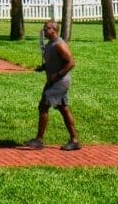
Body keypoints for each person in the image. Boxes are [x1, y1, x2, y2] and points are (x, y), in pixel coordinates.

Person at [24, 20, 81, 151]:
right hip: (54, 81)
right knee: (63, 109)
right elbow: (53, 61)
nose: (44, 30)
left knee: (43, 106)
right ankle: (75, 140)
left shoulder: (59, 45)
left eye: (46, 28)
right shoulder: (50, 44)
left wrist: (58, 75)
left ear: (53, 30)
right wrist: (43, 67)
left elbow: (71, 62)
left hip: (59, 82)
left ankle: (38, 140)